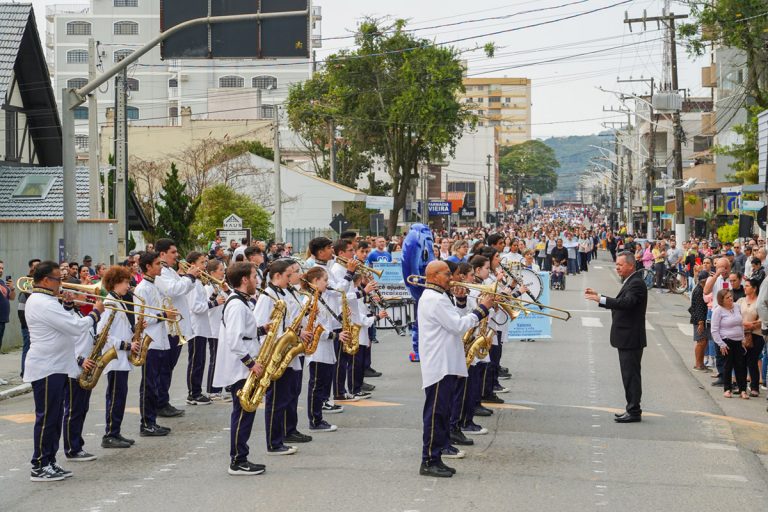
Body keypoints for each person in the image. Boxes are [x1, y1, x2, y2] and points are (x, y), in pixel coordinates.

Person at [23, 261, 104, 481]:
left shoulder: (47, 300)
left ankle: (50, 460)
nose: (62, 284)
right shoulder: (42, 302)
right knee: (48, 418)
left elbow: (61, 323)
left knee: (55, 416)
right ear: (46, 280)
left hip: (56, 365)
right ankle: (39, 465)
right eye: (59, 280)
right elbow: (75, 327)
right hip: (47, 366)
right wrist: (95, 313)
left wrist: (68, 307)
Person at [417, 260, 493, 478]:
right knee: (436, 415)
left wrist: (461, 300)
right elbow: (458, 325)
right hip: (439, 365)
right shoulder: (434, 299)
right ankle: (429, 459)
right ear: (434, 276)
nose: (452, 277)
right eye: (447, 274)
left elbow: (455, 321)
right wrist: (482, 309)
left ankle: (436, 456)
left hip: (446, 362)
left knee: (442, 413)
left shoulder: (439, 296)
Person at [212, 262, 267, 475]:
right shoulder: (236, 304)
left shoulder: (241, 302)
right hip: (242, 368)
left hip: (245, 364)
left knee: (246, 412)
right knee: (243, 412)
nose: (257, 280)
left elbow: (245, 332)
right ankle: (237, 460)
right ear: (244, 279)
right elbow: (235, 340)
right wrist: (252, 364)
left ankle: (241, 456)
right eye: (254, 276)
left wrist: (262, 329)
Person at [585, 251, 647, 423]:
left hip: (631, 338)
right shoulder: (631, 281)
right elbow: (622, 302)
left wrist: (600, 299)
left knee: (631, 376)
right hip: (626, 337)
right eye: (616, 265)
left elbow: (626, 304)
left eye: (620, 265)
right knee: (628, 375)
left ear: (631, 265)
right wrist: (600, 297)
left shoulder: (636, 283)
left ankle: (634, 411)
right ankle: (631, 408)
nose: (617, 268)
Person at [155, 238, 200, 417]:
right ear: (162, 254)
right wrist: (189, 277)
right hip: (170, 327)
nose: (177, 255)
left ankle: (163, 400)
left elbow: (182, 290)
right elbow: (173, 290)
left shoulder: (169, 271)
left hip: (177, 326)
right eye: (173, 252)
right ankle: (161, 402)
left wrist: (190, 278)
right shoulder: (161, 273)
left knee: (169, 367)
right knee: (165, 367)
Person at [98, 266, 141, 449]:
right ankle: (110, 434)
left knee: (120, 397)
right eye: (125, 282)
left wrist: (136, 331)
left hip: (121, 358)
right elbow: (102, 332)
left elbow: (120, 329)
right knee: (115, 397)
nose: (128, 285)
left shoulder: (120, 301)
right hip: (115, 357)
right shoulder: (110, 303)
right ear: (115, 283)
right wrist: (126, 345)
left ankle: (116, 431)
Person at [135, 252, 177, 437]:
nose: (161, 267)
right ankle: (146, 423)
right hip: (149, 342)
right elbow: (141, 320)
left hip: (160, 339)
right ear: (147, 267)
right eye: (157, 264)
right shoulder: (142, 289)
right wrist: (164, 315)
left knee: (156, 382)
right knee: (149, 385)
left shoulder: (154, 286)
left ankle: (152, 421)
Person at [185, 251, 223, 406]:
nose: (205, 266)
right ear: (193, 264)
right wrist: (215, 303)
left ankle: (197, 391)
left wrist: (213, 297)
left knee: (200, 360)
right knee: (196, 361)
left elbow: (203, 302)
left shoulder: (199, 283)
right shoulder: (193, 284)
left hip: (201, 327)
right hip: (195, 328)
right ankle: (193, 393)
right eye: (202, 262)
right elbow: (195, 307)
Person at [711, 289, 748, 399]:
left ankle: (743, 390)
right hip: (726, 341)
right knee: (728, 365)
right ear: (721, 300)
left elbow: (740, 324)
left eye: (730, 296)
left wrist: (743, 338)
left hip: (738, 341)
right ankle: (727, 389)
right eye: (727, 298)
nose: (730, 299)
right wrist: (721, 344)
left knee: (740, 366)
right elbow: (714, 329)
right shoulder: (719, 310)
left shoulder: (737, 307)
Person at [737, 278, 764, 397]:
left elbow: (763, 318)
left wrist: (751, 325)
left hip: (756, 334)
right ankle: (741, 386)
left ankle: (754, 387)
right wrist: (743, 324)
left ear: (754, 288)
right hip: (741, 333)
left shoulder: (760, 302)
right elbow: (734, 314)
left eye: (747, 286)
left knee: (752, 360)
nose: (745, 287)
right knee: (741, 361)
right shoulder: (741, 300)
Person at [689, 270, 710, 371]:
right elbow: (698, 308)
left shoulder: (702, 289)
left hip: (702, 319)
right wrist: (701, 322)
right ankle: (698, 364)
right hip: (699, 320)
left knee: (704, 342)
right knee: (701, 342)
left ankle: (701, 363)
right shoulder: (699, 291)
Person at [0, 260, 16, 359]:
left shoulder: (2, 282)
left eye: (2, 268)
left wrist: (12, 288)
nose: (1, 270)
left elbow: (12, 298)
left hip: (2, 320)